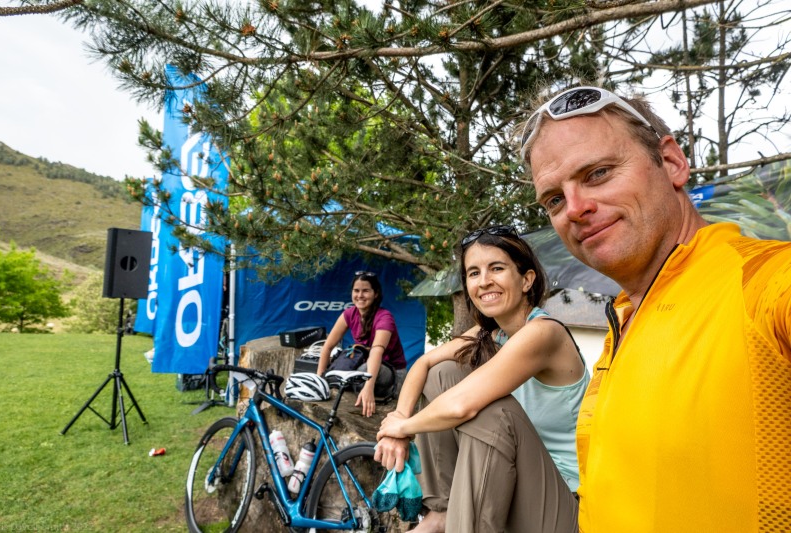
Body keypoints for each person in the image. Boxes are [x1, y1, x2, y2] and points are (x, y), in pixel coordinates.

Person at [518, 85, 791, 531]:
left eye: (599, 172)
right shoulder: (623, 319)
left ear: (671, 162)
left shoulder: (761, 283)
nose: (575, 208)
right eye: (553, 199)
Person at [374, 226, 589, 532]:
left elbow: (462, 405)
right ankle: (441, 513)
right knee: (443, 373)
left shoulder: (544, 333)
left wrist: (404, 428)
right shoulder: (490, 333)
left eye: (497, 268)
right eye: (473, 273)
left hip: (566, 504)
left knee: (488, 409)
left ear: (526, 279)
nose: (484, 281)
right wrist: (397, 420)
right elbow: (423, 364)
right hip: (517, 485)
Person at [316, 271, 407, 417]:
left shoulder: (385, 317)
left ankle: (363, 388)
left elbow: (376, 352)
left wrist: (368, 388)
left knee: (361, 371)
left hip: (392, 374)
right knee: (344, 365)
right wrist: (319, 380)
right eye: (356, 290)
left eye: (366, 291)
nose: (360, 295)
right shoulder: (349, 314)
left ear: (376, 293)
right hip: (367, 368)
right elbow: (327, 347)